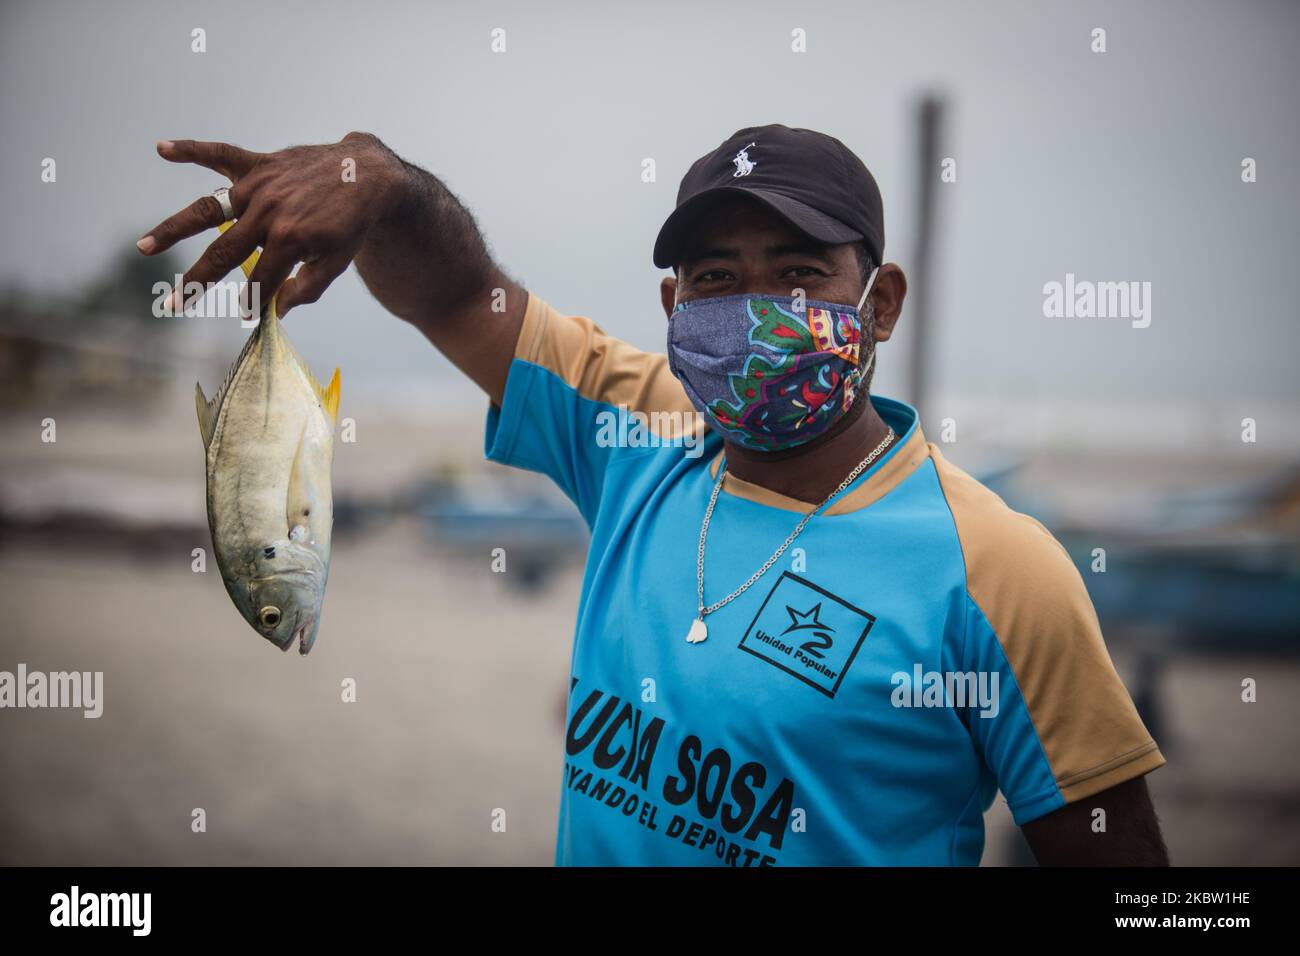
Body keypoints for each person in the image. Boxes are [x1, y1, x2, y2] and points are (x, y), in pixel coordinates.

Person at [137, 123, 1169, 866]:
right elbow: (455, 290)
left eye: (800, 272)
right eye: (717, 279)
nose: (756, 309)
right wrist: (385, 182)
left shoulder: (997, 570)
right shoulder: (636, 430)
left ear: (880, 299)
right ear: (674, 304)